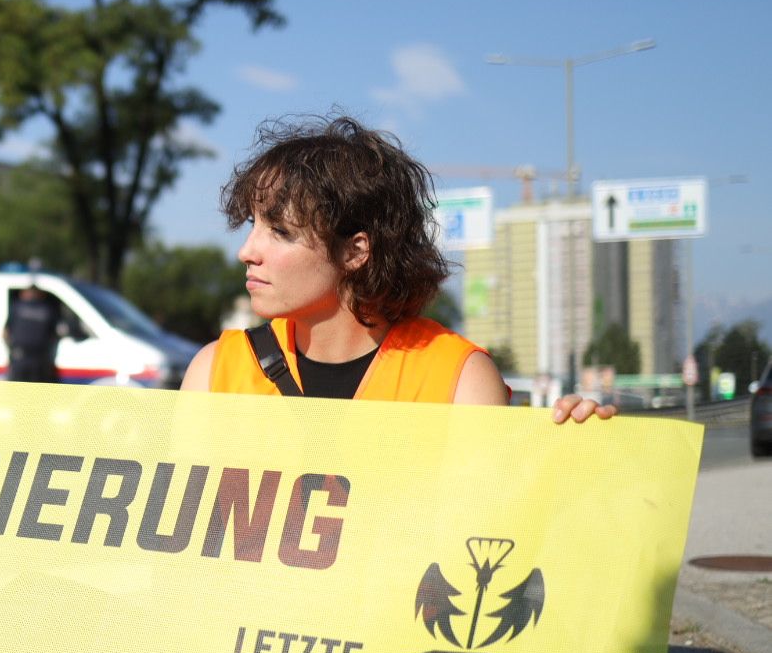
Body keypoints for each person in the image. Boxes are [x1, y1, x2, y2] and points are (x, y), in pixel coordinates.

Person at [181, 114, 615, 424]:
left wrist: (577, 455)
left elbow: (493, 523)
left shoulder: (459, 380)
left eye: (280, 231)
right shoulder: (214, 371)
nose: (246, 252)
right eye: (253, 225)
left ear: (355, 251)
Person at [3, 281, 64, 383]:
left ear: (24, 294)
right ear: (40, 295)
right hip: (41, 361)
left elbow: (5, 333)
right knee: (40, 391)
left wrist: (11, 350)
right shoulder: (48, 309)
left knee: (18, 391)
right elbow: (59, 332)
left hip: (20, 359)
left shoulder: (17, 307)